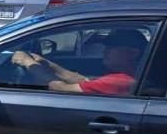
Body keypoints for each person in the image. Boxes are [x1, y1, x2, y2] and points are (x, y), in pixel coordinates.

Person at [10, 29, 148, 95]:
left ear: (133, 53)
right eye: (106, 46)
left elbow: (60, 88)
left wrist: (28, 63)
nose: (105, 51)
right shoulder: (132, 75)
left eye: (112, 47)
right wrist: (47, 63)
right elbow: (84, 80)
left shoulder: (120, 81)